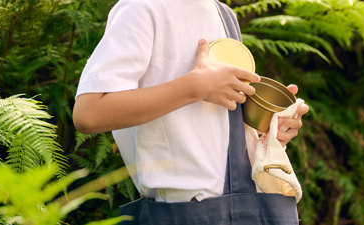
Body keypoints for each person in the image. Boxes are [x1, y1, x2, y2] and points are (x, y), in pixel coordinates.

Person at [73, 0, 309, 224]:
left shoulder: (224, 15)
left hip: (245, 203)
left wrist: (268, 132)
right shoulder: (143, 8)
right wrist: (194, 87)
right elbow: (89, 113)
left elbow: (210, 124)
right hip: (185, 210)